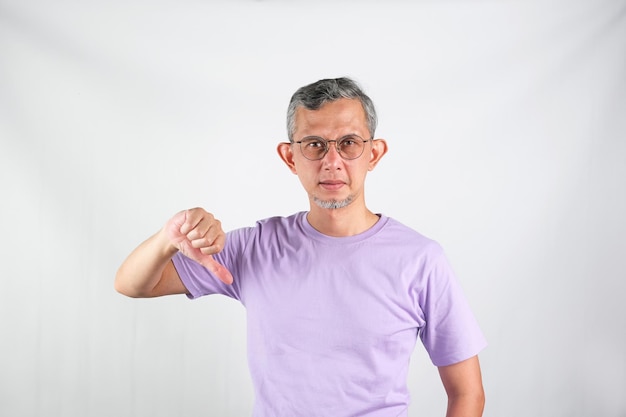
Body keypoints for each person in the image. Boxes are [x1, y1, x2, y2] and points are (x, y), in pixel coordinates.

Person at [115, 77, 487, 417]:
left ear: (373, 153)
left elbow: (467, 393)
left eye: (348, 143)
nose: (332, 161)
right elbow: (132, 284)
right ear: (290, 157)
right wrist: (168, 236)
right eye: (314, 145)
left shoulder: (420, 259)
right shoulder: (256, 248)